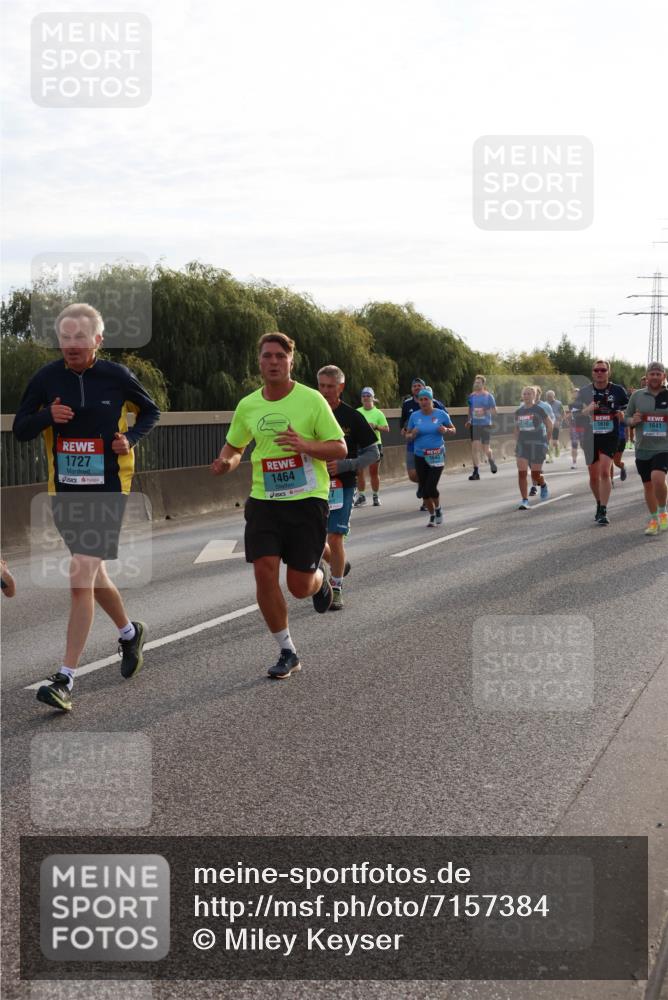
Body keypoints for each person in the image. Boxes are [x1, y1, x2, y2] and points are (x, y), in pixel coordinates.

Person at [13, 303, 160, 712]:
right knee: (93, 576)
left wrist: (129, 439)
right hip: (65, 492)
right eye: (65, 337)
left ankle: (65, 679)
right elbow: (20, 429)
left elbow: (151, 411)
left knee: (80, 576)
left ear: (98, 340)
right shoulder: (46, 378)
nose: (72, 344)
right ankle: (130, 633)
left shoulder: (116, 377)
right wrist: (47, 415)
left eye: (80, 337)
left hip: (109, 489)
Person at [211, 333, 346, 679]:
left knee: (300, 586)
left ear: (290, 362)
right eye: (267, 356)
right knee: (264, 571)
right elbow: (235, 446)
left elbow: (339, 448)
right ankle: (287, 650)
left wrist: (305, 444)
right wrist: (227, 461)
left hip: (306, 501)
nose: (273, 362)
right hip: (264, 501)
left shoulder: (311, 400)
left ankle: (321, 581)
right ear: (259, 362)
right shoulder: (248, 406)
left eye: (280, 357)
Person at [317, 368, 379, 610]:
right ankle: (338, 563)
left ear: (340, 387)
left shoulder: (352, 416)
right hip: (313, 485)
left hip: (343, 484)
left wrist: (346, 464)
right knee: (314, 539)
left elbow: (374, 452)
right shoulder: (311, 412)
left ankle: (337, 585)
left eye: (330, 386)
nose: (325, 391)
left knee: (335, 536)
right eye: (321, 386)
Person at [572, 360, 629, 525]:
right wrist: (587, 410)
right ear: (592, 373)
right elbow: (574, 414)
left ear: (608, 372)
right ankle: (598, 503)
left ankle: (603, 509)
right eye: (596, 370)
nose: (599, 372)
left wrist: (622, 414)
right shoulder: (584, 392)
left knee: (605, 471)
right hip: (589, 436)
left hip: (609, 435)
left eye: (603, 370)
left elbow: (627, 409)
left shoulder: (618, 390)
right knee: (593, 475)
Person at [624, 361, 668, 535]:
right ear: (647, 376)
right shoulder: (637, 396)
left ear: (664, 376)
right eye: (652, 374)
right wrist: (632, 421)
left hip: (664, 447)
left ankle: (663, 511)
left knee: (658, 478)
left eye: (659, 374)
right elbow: (626, 417)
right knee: (648, 486)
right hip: (643, 448)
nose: (655, 377)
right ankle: (653, 519)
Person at [405, 387, 455, 526]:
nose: (423, 402)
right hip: (420, 455)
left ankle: (438, 509)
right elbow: (407, 436)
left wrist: (446, 430)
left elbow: (453, 429)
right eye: (421, 400)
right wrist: (412, 434)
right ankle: (432, 514)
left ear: (431, 400)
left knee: (430, 487)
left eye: (426, 399)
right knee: (423, 491)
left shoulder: (441, 414)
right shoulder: (414, 416)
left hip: (437, 454)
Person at [399, 377, 446, 510]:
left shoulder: (435, 403)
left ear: (424, 388)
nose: (417, 388)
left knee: (428, 480)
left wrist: (443, 429)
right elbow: (402, 421)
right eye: (414, 386)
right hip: (412, 443)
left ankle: (427, 497)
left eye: (419, 386)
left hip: (431, 446)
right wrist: (404, 430)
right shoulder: (407, 404)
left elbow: (445, 419)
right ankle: (424, 485)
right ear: (411, 389)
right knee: (413, 475)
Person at [514, 386, 552, 510]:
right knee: (522, 473)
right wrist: (517, 443)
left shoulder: (539, 409)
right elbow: (516, 428)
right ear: (522, 396)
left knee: (535, 474)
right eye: (524, 394)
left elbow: (549, 424)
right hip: (523, 444)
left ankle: (543, 484)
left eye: (529, 394)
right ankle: (524, 500)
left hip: (538, 443)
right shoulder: (519, 411)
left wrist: (547, 442)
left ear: (534, 396)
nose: (526, 396)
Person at [355, 387, 389, 506]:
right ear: (361, 399)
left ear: (373, 398)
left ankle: (375, 495)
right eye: (364, 396)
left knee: (373, 472)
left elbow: (386, 428)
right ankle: (362, 496)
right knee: (359, 472)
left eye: (368, 396)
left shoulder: (378, 413)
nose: (366, 398)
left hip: (375, 444)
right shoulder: (357, 411)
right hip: (360, 444)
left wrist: (375, 426)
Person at [465, 375, 497, 479]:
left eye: (478, 382)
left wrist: (485, 411)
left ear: (483, 384)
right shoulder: (472, 396)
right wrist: (469, 420)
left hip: (485, 424)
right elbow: (470, 409)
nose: (476, 384)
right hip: (474, 425)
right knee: (475, 448)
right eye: (475, 382)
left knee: (486, 449)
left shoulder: (488, 396)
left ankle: (491, 460)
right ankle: (476, 472)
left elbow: (495, 411)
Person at [545, 390, 564, 461]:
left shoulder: (559, 403)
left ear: (554, 396)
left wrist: (559, 421)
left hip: (556, 424)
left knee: (555, 442)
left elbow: (563, 414)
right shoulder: (545, 404)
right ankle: (550, 457)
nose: (548, 398)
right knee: (548, 441)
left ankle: (557, 448)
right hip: (548, 424)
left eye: (550, 396)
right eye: (547, 397)